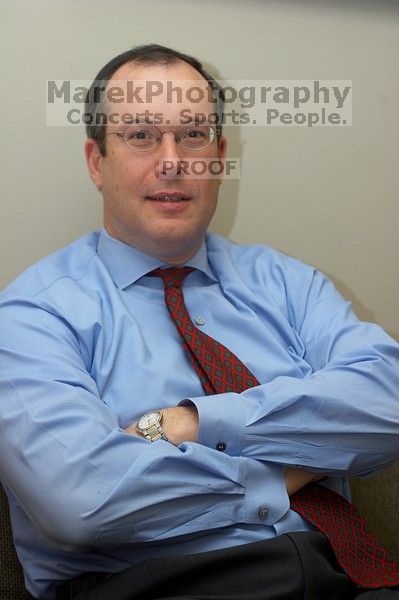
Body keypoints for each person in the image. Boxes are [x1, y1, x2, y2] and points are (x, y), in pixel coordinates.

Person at [0, 44, 398, 600]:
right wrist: (289, 469)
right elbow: (81, 500)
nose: (172, 160)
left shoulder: (287, 284)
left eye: (193, 135)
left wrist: (195, 423)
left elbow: (388, 400)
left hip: (345, 580)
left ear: (219, 154)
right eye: (141, 135)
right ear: (96, 160)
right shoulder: (34, 313)